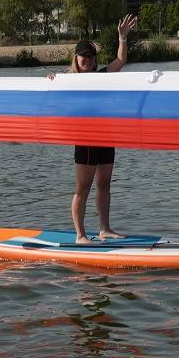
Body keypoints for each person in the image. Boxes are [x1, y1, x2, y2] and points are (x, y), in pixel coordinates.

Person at [58, 15, 138, 241]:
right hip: (84, 140)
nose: (88, 59)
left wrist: (122, 37)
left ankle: (104, 229)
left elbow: (120, 60)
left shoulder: (103, 76)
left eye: (91, 56)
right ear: (76, 58)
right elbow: (50, 92)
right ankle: (80, 235)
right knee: (82, 187)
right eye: (84, 56)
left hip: (106, 137)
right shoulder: (68, 80)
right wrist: (52, 79)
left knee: (104, 184)